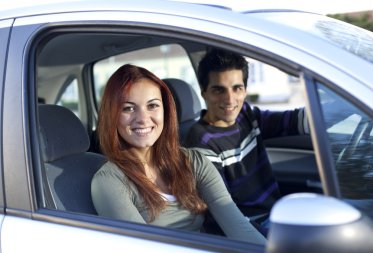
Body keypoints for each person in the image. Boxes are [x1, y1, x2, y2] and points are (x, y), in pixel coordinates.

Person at [91, 64, 266, 245]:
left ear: (166, 111)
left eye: (152, 106)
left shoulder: (194, 161)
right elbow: (143, 248)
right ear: (112, 115)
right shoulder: (109, 181)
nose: (143, 118)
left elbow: (238, 227)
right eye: (128, 108)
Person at [184, 49, 310, 234]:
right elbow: (223, 213)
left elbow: (299, 120)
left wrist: (339, 107)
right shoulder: (200, 142)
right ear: (204, 93)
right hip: (247, 229)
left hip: (274, 214)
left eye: (237, 88)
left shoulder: (246, 116)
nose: (229, 99)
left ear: (245, 90)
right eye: (219, 90)